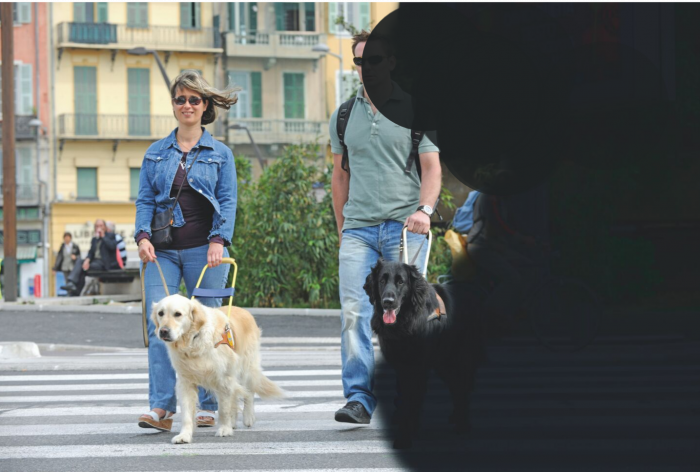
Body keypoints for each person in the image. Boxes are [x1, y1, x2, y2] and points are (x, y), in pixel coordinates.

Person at [330, 30, 441, 425]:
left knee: (410, 317)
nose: (366, 68)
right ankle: (359, 398)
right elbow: (339, 178)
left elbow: (431, 169)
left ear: (391, 62)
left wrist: (425, 210)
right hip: (359, 230)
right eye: (360, 62)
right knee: (354, 313)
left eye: (374, 60)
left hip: (404, 229)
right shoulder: (344, 115)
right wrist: (343, 230)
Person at [134, 70, 238, 432]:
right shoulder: (155, 153)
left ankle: (208, 405)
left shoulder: (221, 153)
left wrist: (218, 240)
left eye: (195, 99)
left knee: (208, 329)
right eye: (181, 99)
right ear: (174, 105)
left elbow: (227, 201)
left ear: (205, 105)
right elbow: (145, 199)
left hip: (204, 252)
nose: (188, 105)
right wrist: (142, 236)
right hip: (159, 252)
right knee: (161, 328)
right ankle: (161, 407)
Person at [61, 219, 119, 296]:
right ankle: (73, 289)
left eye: (101, 225)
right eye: (97, 226)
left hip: (104, 263)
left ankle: (73, 286)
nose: (99, 227)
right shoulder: (94, 239)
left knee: (82, 266)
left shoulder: (111, 236)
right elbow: (91, 252)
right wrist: (87, 260)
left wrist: (103, 237)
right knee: (82, 263)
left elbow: (112, 247)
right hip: (94, 262)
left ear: (105, 227)